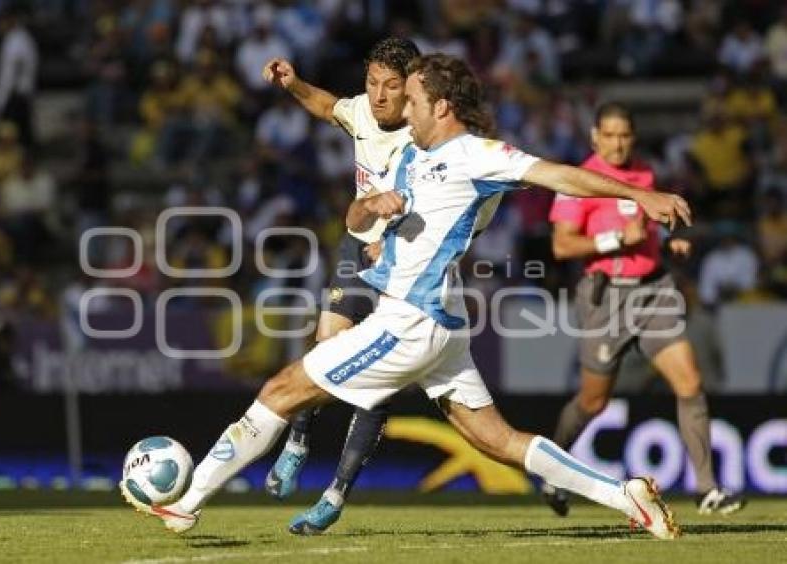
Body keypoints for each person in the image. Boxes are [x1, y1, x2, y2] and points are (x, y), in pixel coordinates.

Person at [122, 53, 691, 541]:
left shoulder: (478, 156)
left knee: (281, 389)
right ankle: (626, 496)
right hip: (436, 324)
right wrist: (372, 211)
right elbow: (355, 216)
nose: (402, 109)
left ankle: (186, 498)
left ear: (441, 105)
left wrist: (640, 197)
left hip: (412, 321)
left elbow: (562, 176)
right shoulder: (411, 156)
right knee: (496, 439)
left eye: (413, 99)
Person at [544, 102, 745, 516]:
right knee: (593, 402)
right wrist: (618, 239)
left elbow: (646, 233)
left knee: (689, 382)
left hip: (654, 290)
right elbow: (562, 246)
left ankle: (707, 489)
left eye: (625, 135)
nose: (617, 143)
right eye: (610, 134)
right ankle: (551, 468)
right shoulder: (577, 181)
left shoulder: (645, 175)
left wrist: (669, 244)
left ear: (633, 137)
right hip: (607, 297)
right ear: (595, 136)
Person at [259, 38, 419, 535]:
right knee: (326, 346)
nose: (378, 95)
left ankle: (336, 494)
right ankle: (299, 441)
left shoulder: (429, 134)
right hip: (357, 246)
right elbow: (327, 106)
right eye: (372, 82)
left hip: (407, 262)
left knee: (376, 387)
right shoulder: (361, 114)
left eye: (390, 85)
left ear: (411, 86)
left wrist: (394, 244)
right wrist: (294, 84)